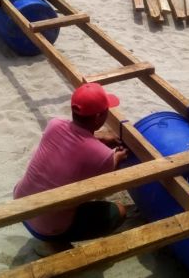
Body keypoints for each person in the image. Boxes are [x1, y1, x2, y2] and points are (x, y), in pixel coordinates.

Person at [14, 83, 129, 256]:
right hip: (48, 226)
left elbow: (77, 136)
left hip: (21, 205)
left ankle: (52, 236)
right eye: (106, 110)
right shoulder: (103, 156)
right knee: (119, 211)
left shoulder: (54, 124)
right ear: (99, 116)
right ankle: (56, 243)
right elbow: (106, 183)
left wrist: (98, 137)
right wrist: (117, 157)